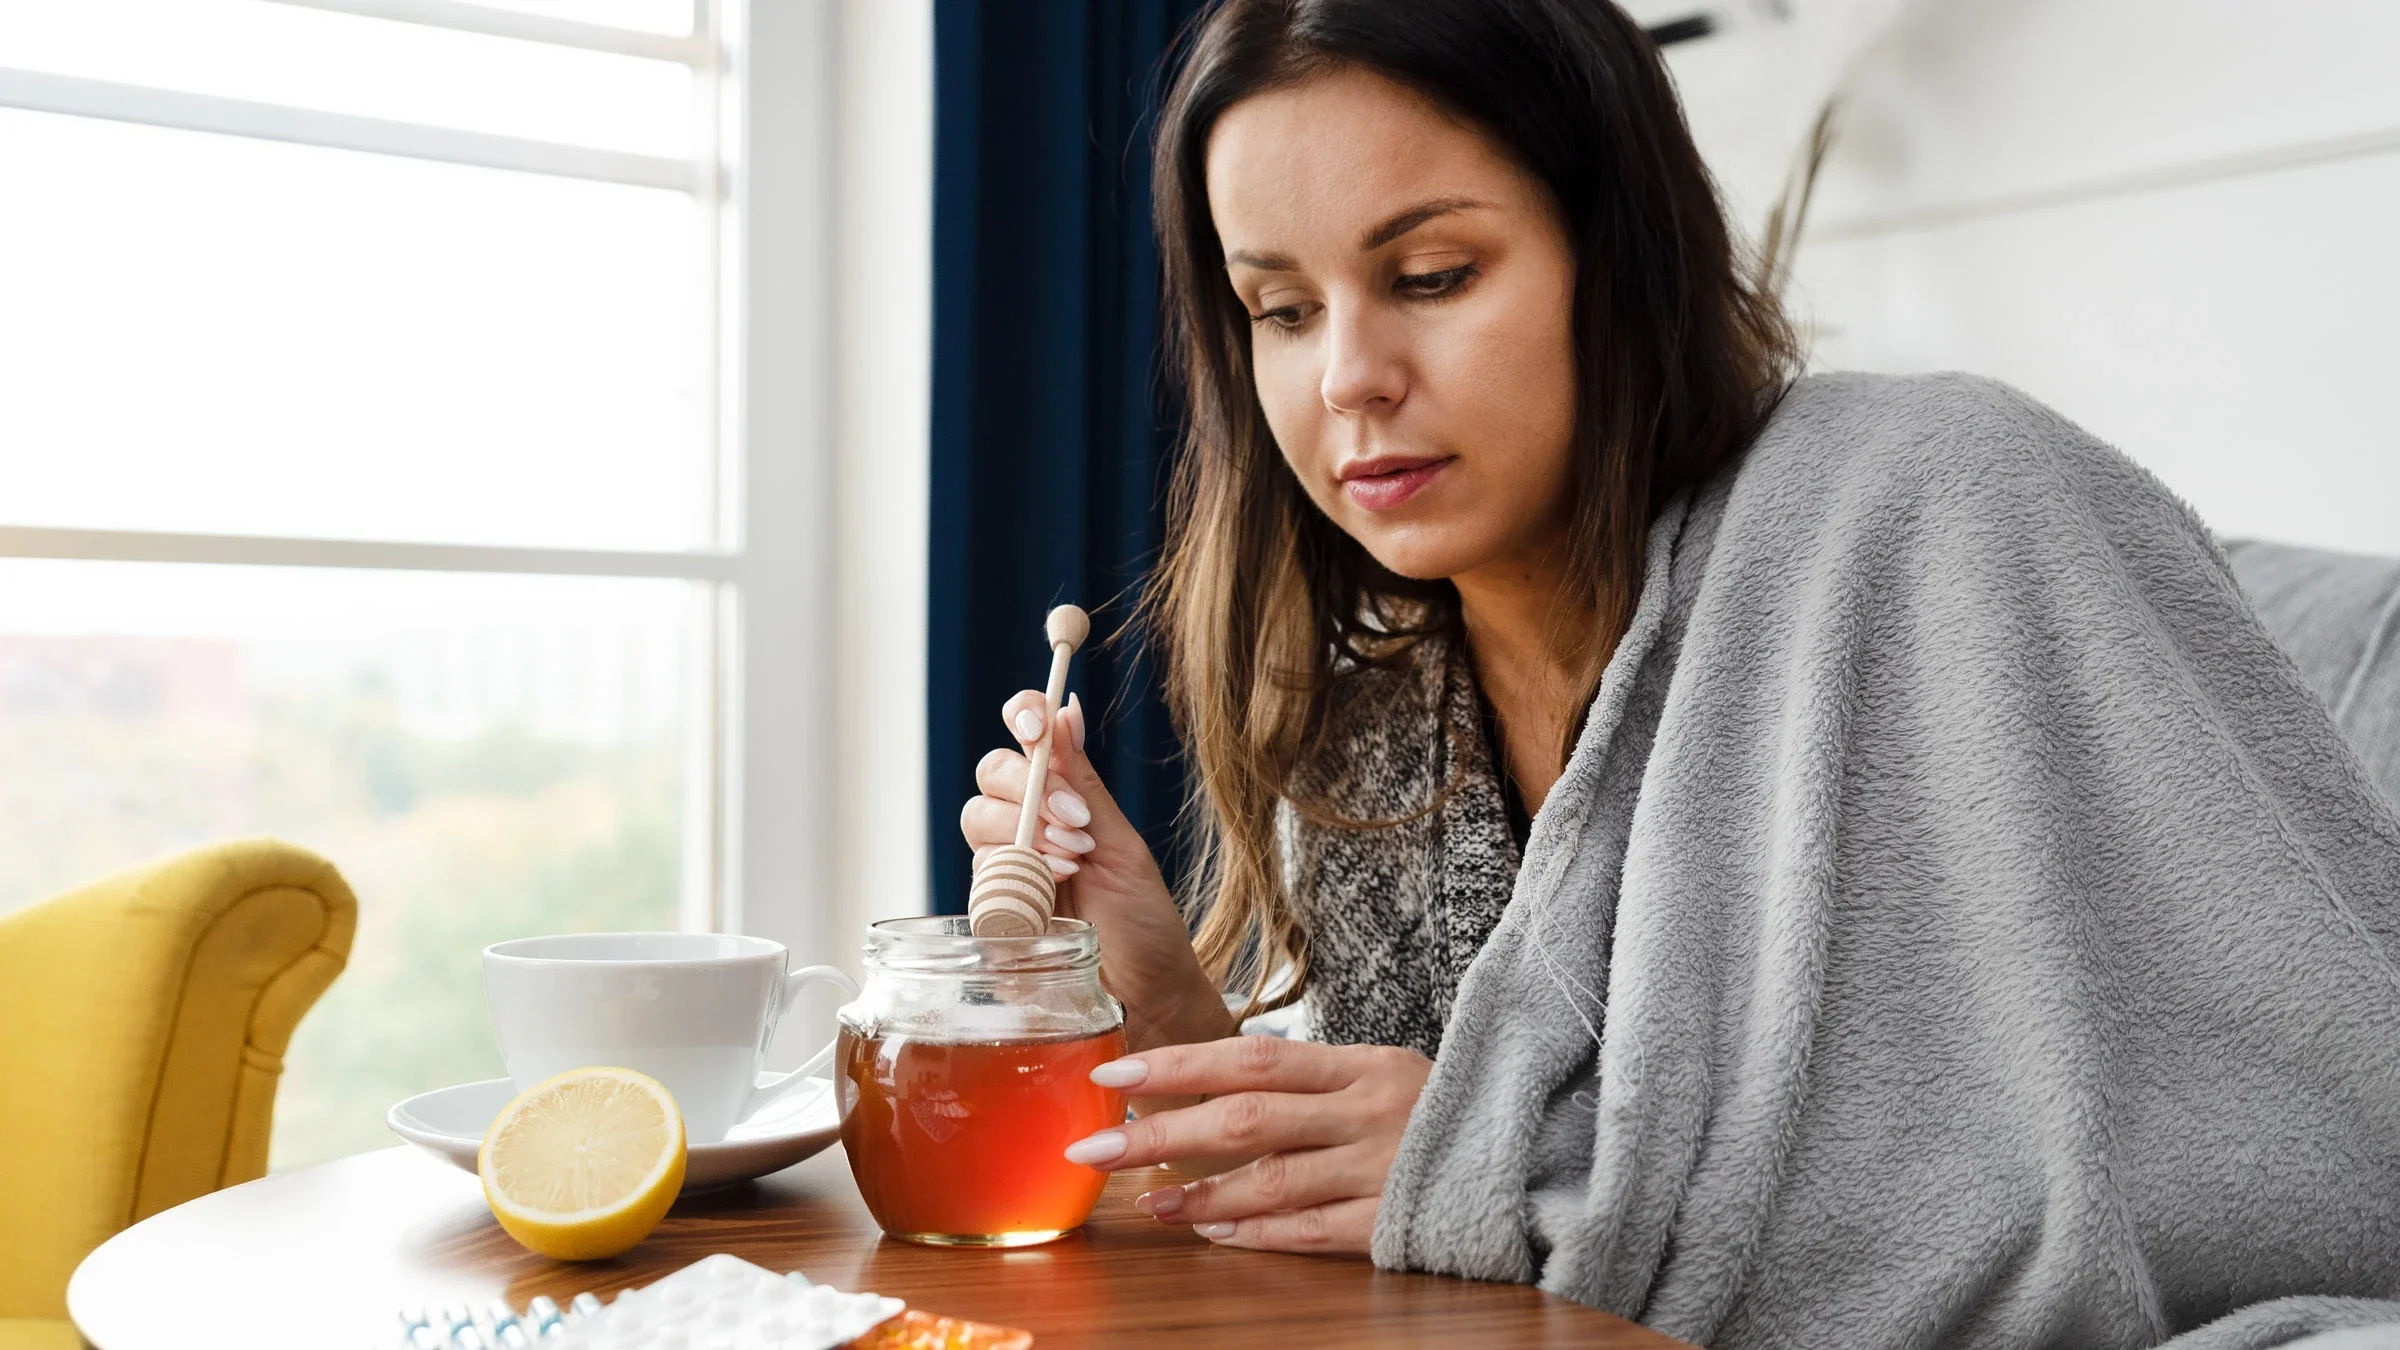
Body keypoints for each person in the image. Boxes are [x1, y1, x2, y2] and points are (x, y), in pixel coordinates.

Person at [958, 3, 2400, 1347]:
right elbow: (1417, 1203)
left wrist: (1513, 1163)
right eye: (1279, 307)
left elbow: (2316, 1145)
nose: (1348, 376)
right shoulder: (1375, 722)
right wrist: (1153, 1000)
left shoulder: (1941, 504)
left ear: (1618, 252)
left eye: (1433, 276)